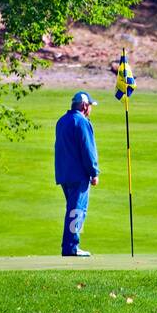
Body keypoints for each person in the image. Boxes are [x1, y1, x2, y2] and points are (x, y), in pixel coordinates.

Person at [54, 92, 100, 257]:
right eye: (90, 107)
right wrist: (94, 172)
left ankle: (69, 245)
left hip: (63, 173)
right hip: (78, 174)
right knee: (78, 210)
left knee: (72, 210)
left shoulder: (62, 121)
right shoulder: (81, 122)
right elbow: (88, 150)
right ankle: (72, 247)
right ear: (84, 106)